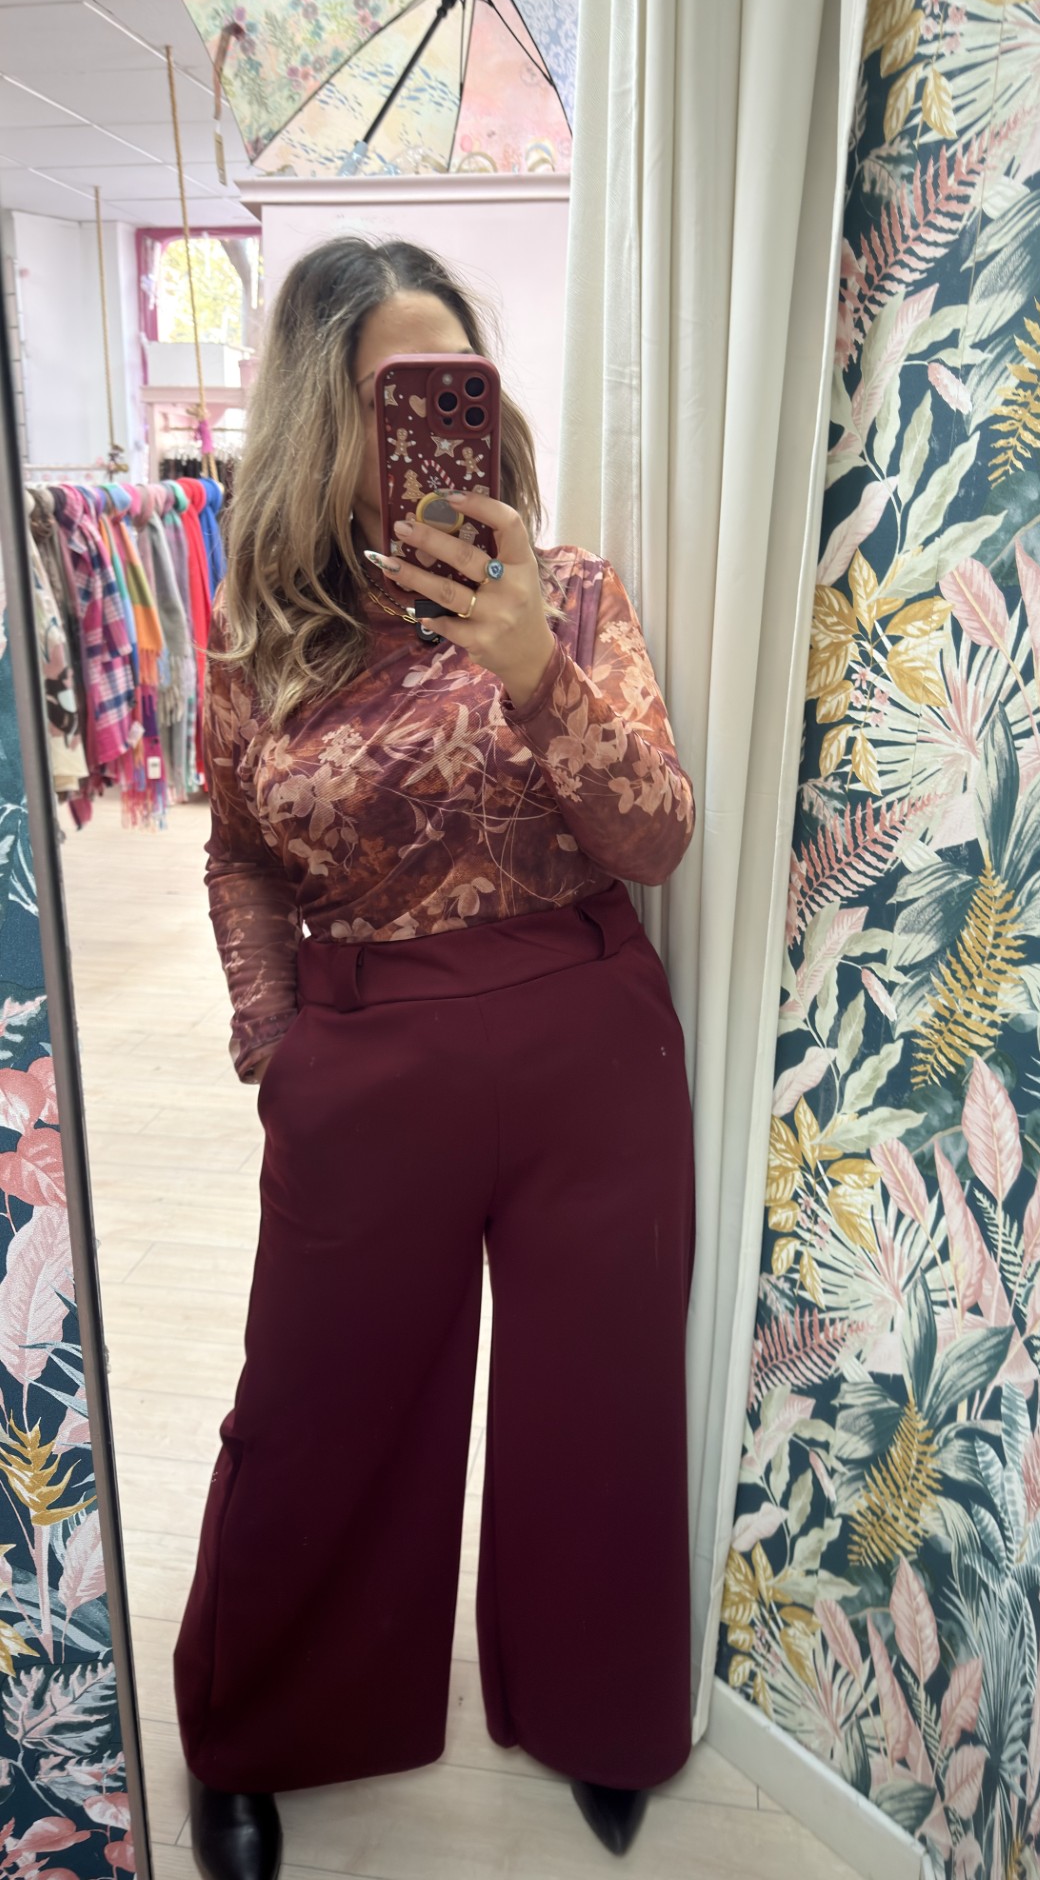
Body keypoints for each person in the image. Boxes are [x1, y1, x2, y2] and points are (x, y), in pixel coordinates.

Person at [173, 236, 698, 1880]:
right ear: (322, 421)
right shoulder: (258, 643)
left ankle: (598, 1711)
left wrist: (536, 665)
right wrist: (276, 1041)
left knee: (595, 1404)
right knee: (315, 1409)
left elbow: (656, 837)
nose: (430, 436)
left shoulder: (573, 595)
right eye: (392, 396)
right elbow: (239, 857)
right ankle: (259, 1728)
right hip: (365, 1059)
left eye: (453, 388)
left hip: (587, 1042)